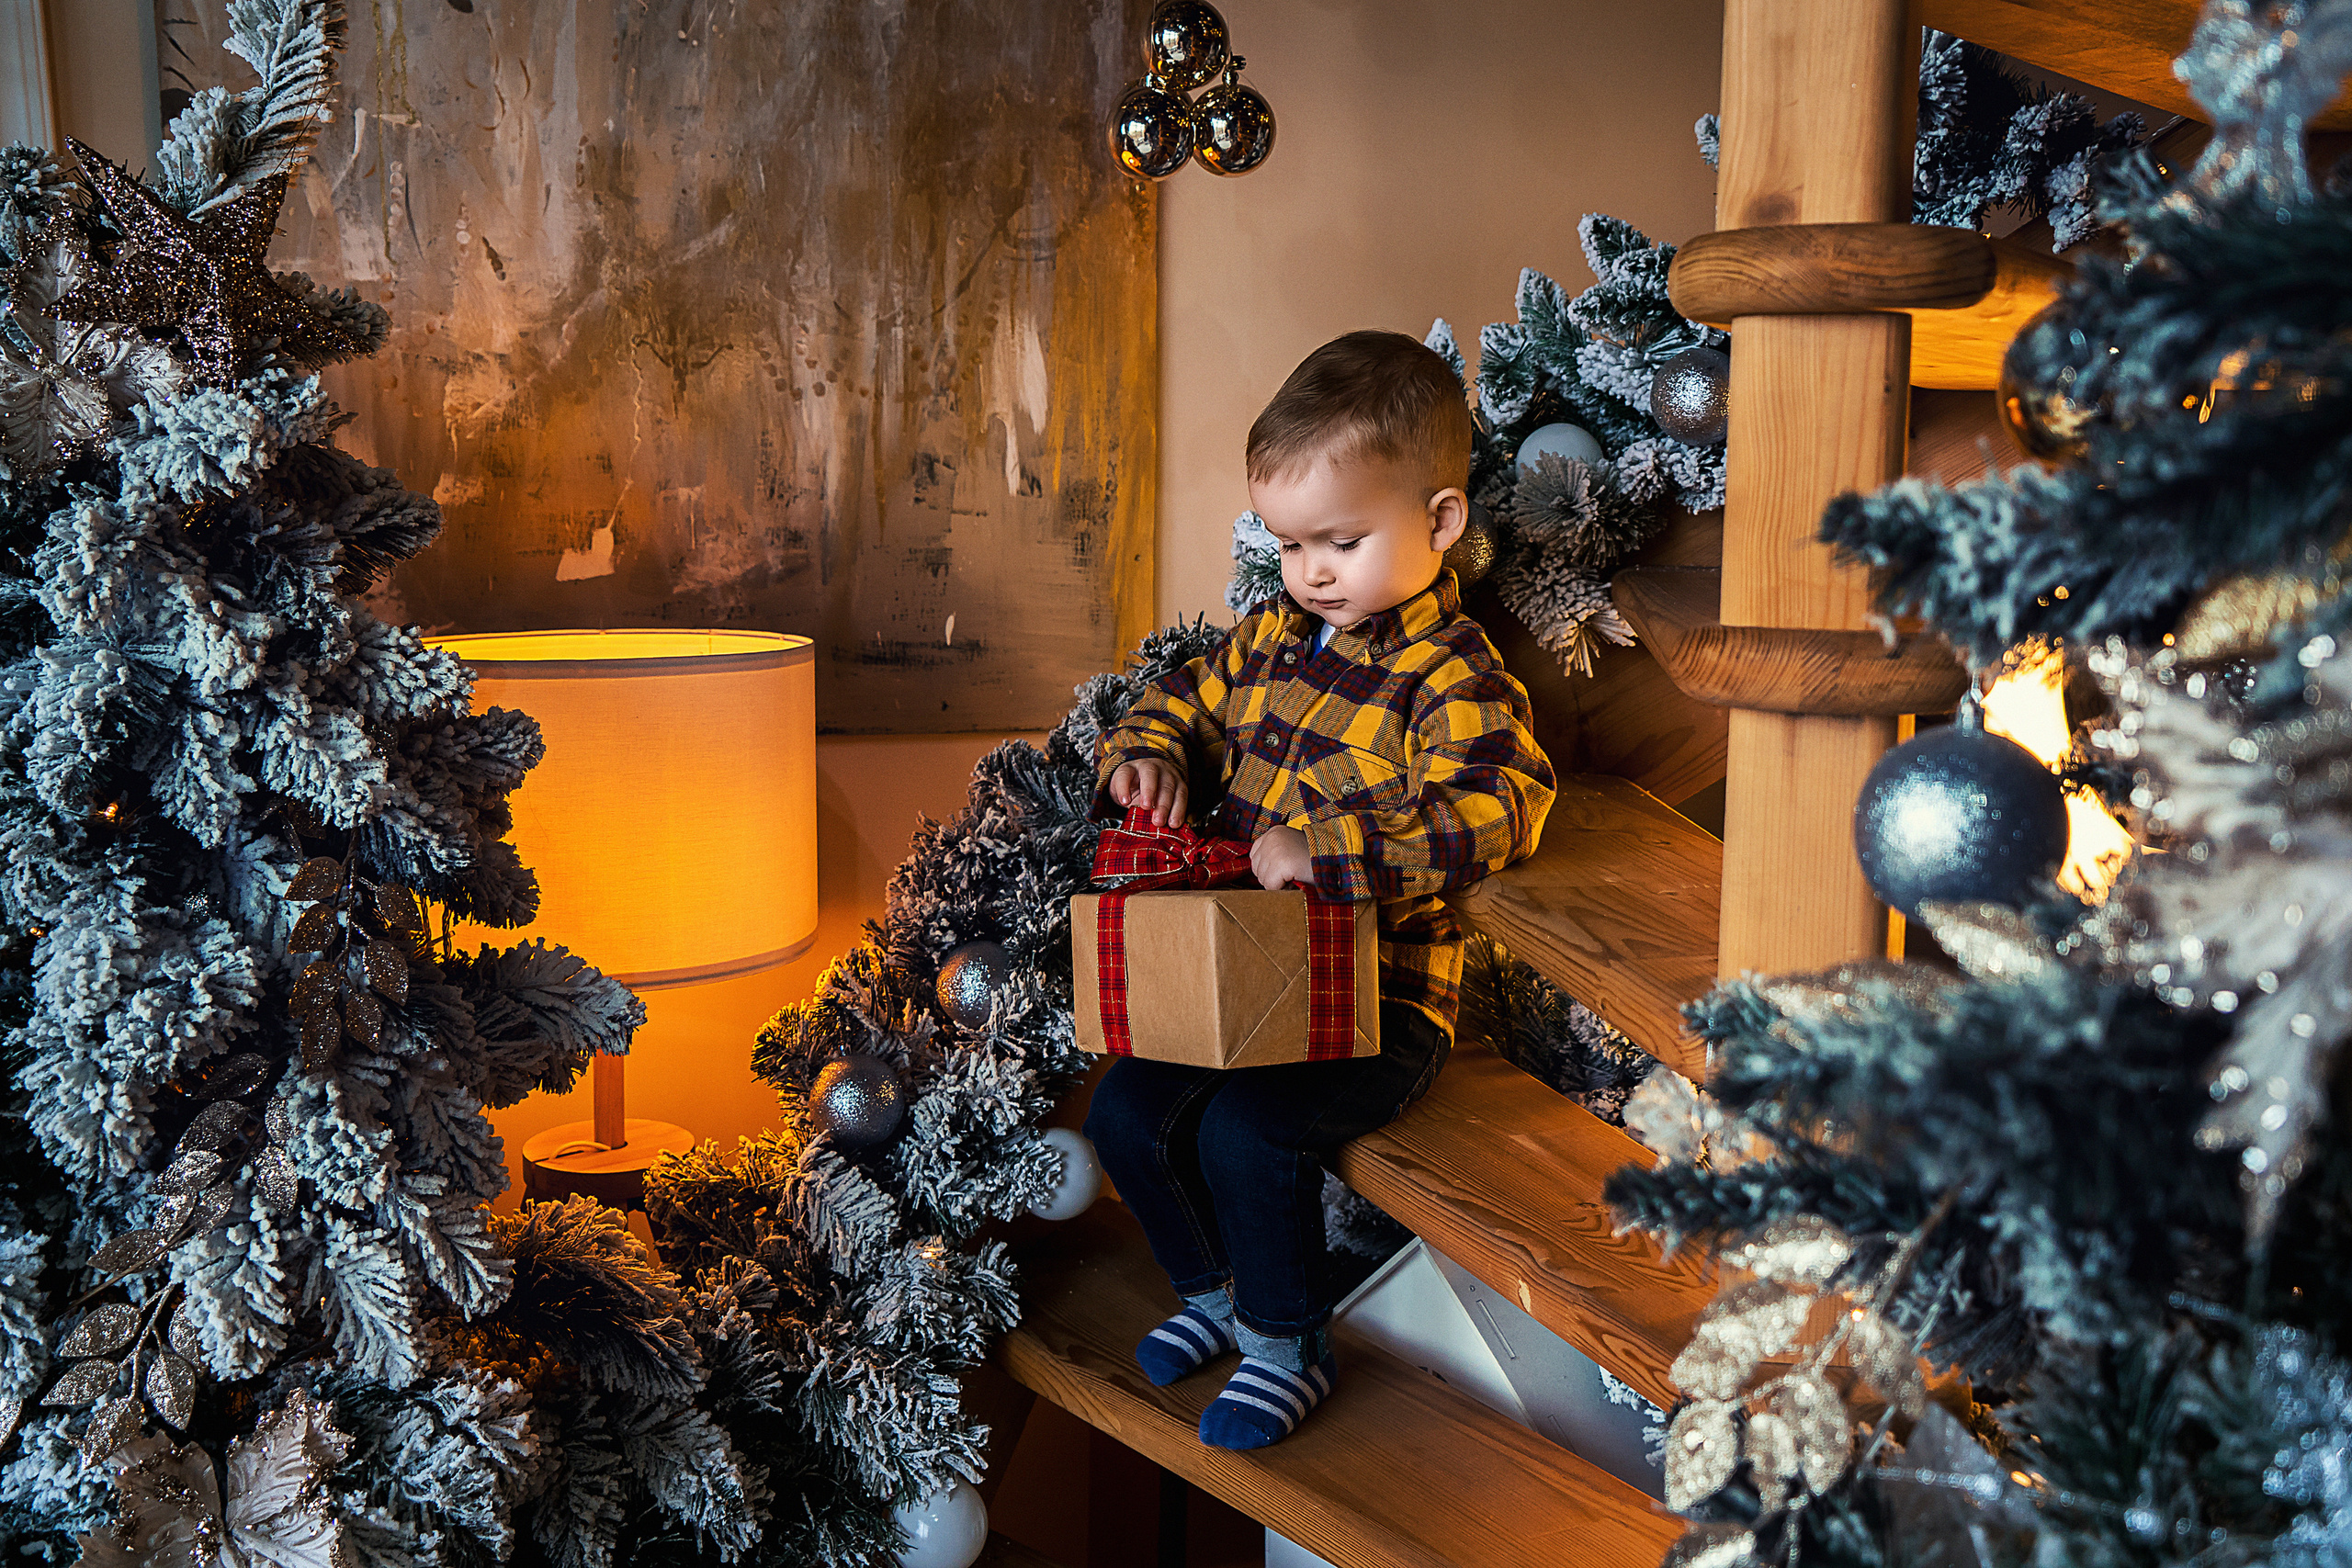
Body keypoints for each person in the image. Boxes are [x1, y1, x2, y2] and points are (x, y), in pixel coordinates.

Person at [1084, 329, 1555, 1450]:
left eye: (1342, 541)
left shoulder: (1452, 676)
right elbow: (1178, 698)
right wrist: (1145, 755)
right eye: (1290, 544)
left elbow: (1503, 803)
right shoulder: (1271, 639)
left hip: (1373, 1004)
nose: (1313, 571)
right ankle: (1214, 1295)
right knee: (1124, 1113)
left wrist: (1334, 850)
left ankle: (1286, 1341)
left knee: (1248, 1134)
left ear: (1440, 521)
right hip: (1247, 979)